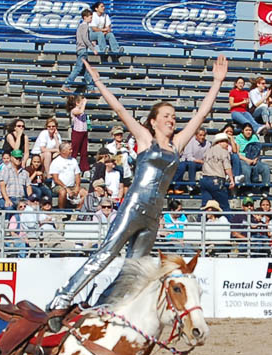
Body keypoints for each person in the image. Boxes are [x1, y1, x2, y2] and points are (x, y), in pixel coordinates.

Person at [47, 55, 228, 327]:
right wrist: (97, 82)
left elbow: (201, 114)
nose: (172, 120)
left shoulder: (176, 144)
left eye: (173, 117)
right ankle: (62, 298)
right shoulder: (145, 139)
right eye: (166, 116)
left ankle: (101, 308)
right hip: (133, 207)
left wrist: (216, 83)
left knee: (132, 271)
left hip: (153, 217)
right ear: (153, 121)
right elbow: (120, 110)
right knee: (105, 255)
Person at [61, 9, 98, 94]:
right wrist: (93, 48)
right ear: (85, 17)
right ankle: (66, 85)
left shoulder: (80, 26)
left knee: (86, 70)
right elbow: (85, 39)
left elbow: (83, 38)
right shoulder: (85, 26)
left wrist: (90, 41)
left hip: (80, 49)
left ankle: (90, 88)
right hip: (83, 50)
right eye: (90, 17)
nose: (91, 19)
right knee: (78, 69)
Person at [199, 132, 235, 214]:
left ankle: (201, 222)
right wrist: (231, 179)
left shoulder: (207, 151)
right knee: (224, 205)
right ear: (219, 142)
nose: (227, 144)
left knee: (205, 205)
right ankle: (229, 224)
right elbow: (227, 167)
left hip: (204, 179)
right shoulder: (224, 152)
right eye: (225, 142)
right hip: (216, 180)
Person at [49, 142, 87, 209]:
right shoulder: (56, 162)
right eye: (70, 149)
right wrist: (66, 188)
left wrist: (77, 186)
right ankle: (61, 211)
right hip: (59, 186)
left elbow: (77, 175)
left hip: (72, 186)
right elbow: (56, 179)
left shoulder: (73, 160)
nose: (71, 151)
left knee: (85, 193)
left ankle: (77, 211)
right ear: (63, 151)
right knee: (63, 192)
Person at [235, 123, 271, 195]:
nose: (248, 132)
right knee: (246, 169)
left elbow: (258, 151)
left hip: (254, 159)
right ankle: (247, 189)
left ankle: (265, 189)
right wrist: (247, 160)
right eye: (246, 130)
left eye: (250, 130)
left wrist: (255, 159)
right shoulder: (238, 138)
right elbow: (237, 153)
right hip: (243, 159)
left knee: (265, 167)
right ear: (243, 131)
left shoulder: (254, 138)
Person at [171, 127, 210, 193]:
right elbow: (189, 157)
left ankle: (203, 188)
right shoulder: (190, 142)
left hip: (200, 163)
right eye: (200, 135)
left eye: (204, 135)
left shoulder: (208, 144)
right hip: (188, 161)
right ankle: (176, 187)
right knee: (183, 166)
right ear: (196, 135)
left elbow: (208, 156)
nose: (202, 137)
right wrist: (200, 161)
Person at [66, 94, 90, 173]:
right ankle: (70, 166)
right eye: (81, 102)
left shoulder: (82, 110)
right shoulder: (74, 110)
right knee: (75, 150)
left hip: (84, 132)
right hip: (77, 132)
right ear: (77, 103)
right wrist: (84, 103)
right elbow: (80, 111)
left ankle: (84, 168)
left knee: (84, 151)